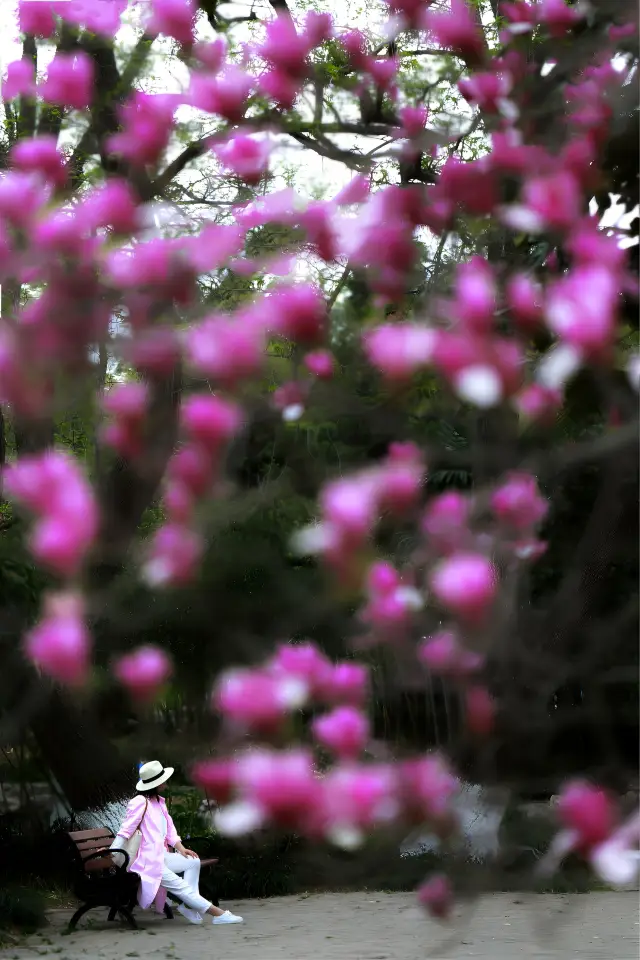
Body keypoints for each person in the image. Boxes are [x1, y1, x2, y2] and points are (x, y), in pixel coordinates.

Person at [110, 760, 243, 926]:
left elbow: (170, 830)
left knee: (192, 861)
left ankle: (188, 906)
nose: (166, 782)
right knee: (180, 887)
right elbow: (126, 830)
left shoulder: (159, 802)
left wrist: (181, 848)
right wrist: (113, 851)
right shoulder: (139, 802)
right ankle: (218, 914)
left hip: (160, 855)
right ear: (156, 783)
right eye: (163, 780)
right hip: (146, 861)